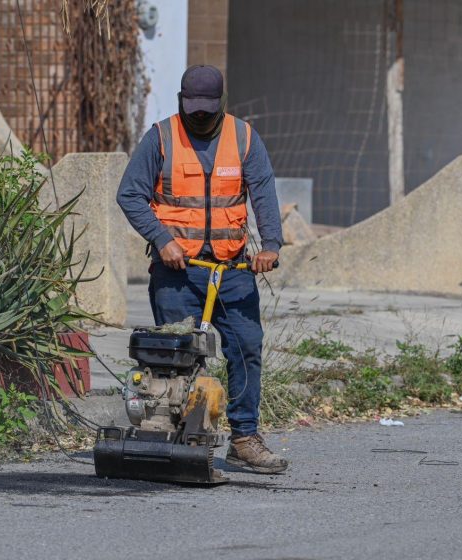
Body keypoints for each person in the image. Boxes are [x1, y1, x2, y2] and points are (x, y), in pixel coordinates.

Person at [116, 65, 288, 474]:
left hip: (232, 269)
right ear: (181, 101)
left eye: (207, 109)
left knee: (246, 348)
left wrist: (271, 246)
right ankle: (176, 439)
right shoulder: (160, 138)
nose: (199, 116)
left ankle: (244, 439)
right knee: (176, 359)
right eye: (192, 107)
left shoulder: (244, 137)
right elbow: (130, 194)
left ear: (221, 103)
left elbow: (263, 193)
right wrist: (162, 239)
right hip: (178, 271)